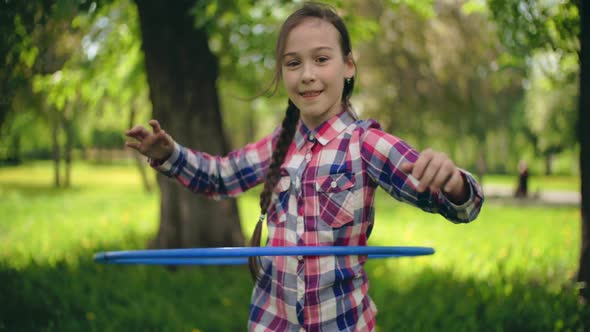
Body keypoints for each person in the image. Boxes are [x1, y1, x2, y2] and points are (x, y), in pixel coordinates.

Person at [125, 2, 484, 331]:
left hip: (341, 323)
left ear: (348, 66)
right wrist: (171, 154)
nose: (307, 74)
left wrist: (453, 182)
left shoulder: (366, 145)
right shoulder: (279, 145)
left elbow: (460, 204)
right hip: (271, 322)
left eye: (321, 59)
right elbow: (221, 177)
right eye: (293, 63)